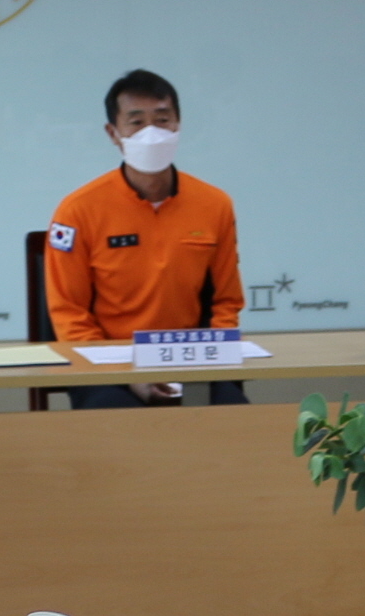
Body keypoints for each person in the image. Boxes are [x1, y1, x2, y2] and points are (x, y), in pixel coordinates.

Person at [45, 67, 247, 409]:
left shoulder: (215, 205)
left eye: (162, 120)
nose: (151, 133)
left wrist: (208, 360)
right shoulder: (77, 210)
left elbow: (226, 302)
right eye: (136, 122)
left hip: (191, 361)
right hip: (106, 366)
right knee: (117, 418)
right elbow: (69, 312)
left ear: (178, 125)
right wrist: (125, 374)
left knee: (235, 418)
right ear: (113, 133)